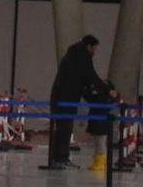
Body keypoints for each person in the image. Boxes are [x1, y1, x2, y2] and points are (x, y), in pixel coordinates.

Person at [48, 34, 116, 171]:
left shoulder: (74, 54)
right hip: (66, 99)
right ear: (89, 46)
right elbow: (92, 77)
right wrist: (109, 90)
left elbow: (85, 78)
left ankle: (57, 158)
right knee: (65, 128)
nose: (95, 53)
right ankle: (61, 159)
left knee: (62, 128)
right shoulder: (82, 57)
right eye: (94, 49)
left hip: (61, 97)